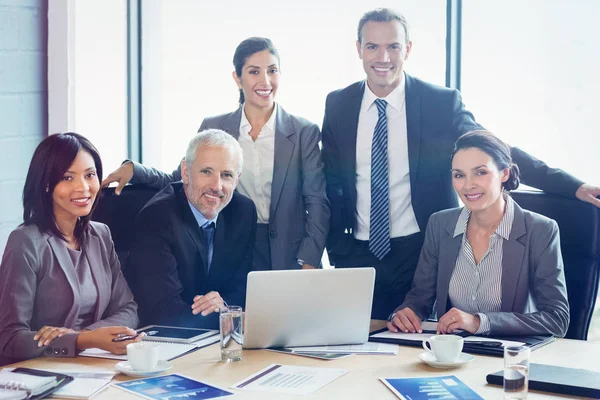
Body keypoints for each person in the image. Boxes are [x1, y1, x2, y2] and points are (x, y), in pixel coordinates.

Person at [321, 8, 599, 320]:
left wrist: (572, 186)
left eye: (393, 46)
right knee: (356, 350)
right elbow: (329, 183)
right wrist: (335, 247)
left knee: (413, 345)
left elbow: (496, 151)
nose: (383, 57)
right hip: (355, 255)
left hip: (421, 252)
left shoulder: (440, 103)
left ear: (408, 49)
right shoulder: (338, 104)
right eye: (372, 46)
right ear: (359, 49)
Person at [103, 37, 329, 271]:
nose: (265, 81)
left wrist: (310, 260)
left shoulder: (304, 132)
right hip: (233, 248)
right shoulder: (215, 127)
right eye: (254, 72)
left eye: (272, 70)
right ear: (237, 78)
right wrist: (135, 170)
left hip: (291, 255)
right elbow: (183, 178)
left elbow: (317, 202)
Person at [387, 130, 570, 337]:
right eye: (459, 175)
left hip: (508, 357)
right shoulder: (440, 224)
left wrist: (478, 322)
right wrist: (408, 313)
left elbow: (557, 319)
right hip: (450, 352)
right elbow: (420, 298)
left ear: (505, 173)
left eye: (481, 172)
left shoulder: (540, 230)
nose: (468, 185)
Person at [0, 133, 140, 365]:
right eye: (67, 177)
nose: (83, 187)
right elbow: (9, 338)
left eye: (90, 175)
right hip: (37, 372)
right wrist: (83, 341)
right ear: (46, 183)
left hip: (91, 365)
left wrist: (86, 337)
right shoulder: (25, 241)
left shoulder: (101, 234)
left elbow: (128, 308)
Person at [126, 129, 257, 329]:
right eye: (206, 171)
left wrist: (224, 308)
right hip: (164, 342)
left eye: (227, 175)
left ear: (237, 180)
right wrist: (229, 316)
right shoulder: (156, 218)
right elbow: (164, 311)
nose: (217, 186)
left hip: (215, 340)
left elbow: (241, 291)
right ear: (186, 173)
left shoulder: (243, 212)